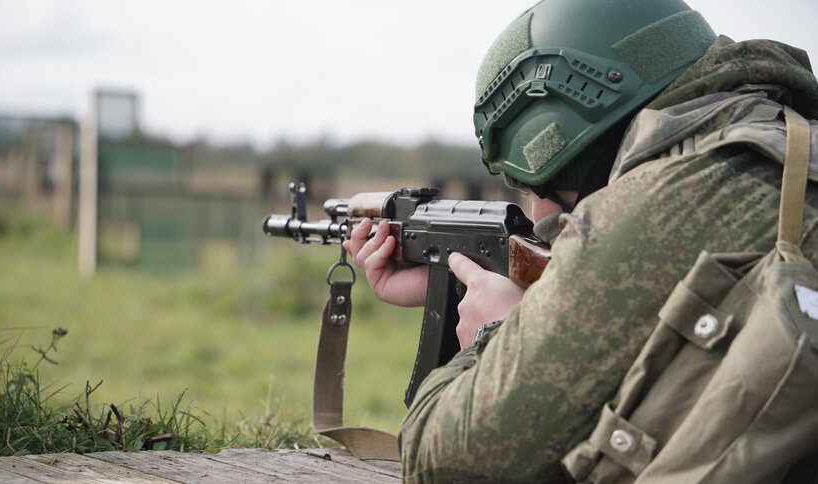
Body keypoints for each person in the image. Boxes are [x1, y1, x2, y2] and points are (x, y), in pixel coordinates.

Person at [343, 0, 818, 481]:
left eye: (538, 187)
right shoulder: (785, 153)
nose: (540, 218)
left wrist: (499, 334)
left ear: (575, 144)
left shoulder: (650, 208)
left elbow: (442, 461)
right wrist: (460, 285)